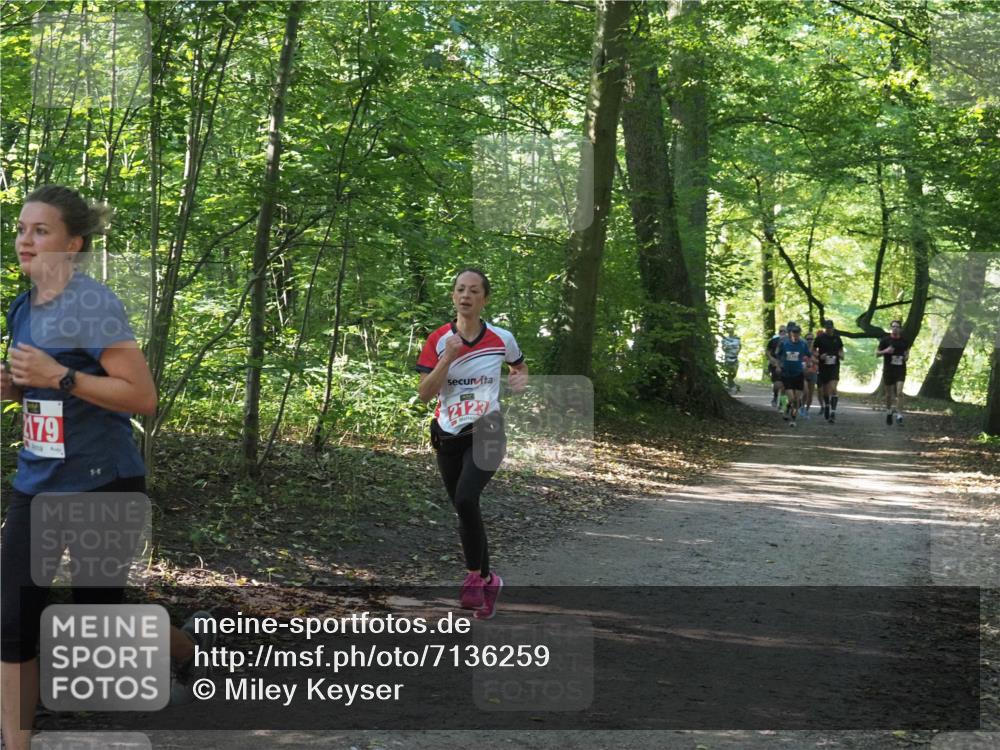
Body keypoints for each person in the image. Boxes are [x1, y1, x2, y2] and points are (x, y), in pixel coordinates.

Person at [1, 186, 212, 749]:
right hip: (37, 481)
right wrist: (16, 387)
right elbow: (40, 390)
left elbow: (142, 397)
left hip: (103, 481)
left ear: (72, 244)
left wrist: (59, 377)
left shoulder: (91, 305)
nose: (25, 240)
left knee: (102, 618)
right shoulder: (22, 307)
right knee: (14, 622)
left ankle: (187, 651)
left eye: (40, 231)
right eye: (21, 229)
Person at [416, 268, 527, 620]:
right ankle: (489, 580)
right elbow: (423, 394)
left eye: (474, 291)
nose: (466, 295)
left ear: (484, 299)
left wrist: (519, 380)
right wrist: (448, 356)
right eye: (460, 290)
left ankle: (472, 578)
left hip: (488, 429)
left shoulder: (501, 338)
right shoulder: (437, 339)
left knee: (466, 497)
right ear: (453, 297)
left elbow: (519, 366)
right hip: (447, 432)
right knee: (466, 508)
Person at [773, 323, 811, 427]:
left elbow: (809, 356)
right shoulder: (784, 344)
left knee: (796, 399)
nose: (795, 337)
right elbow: (778, 356)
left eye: (797, 335)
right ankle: (787, 409)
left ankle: (793, 419)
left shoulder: (803, 345)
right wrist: (778, 366)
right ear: (790, 334)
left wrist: (808, 364)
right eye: (793, 335)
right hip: (787, 374)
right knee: (791, 398)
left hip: (798, 374)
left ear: (799, 334)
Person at [876, 319, 910, 425]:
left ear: (900, 329)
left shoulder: (904, 341)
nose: (895, 328)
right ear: (891, 328)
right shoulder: (885, 340)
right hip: (888, 369)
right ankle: (889, 412)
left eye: (897, 327)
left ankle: (899, 415)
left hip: (900, 369)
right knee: (889, 395)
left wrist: (906, 356)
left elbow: (907, 353)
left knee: (899, 393)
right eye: (893, 326)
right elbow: (877, 353)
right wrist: (885, 351)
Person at [813, 319, 845, 423]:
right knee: (825, 391)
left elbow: (841, 349)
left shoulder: (837, 338)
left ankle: (833, 412)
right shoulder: (820, 338)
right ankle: (827, 405)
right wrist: (819, 356)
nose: (828, 330)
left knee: (833, 388)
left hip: (834, 366)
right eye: (827, 328)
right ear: (825, 328)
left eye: (830, 328)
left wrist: (841, 355)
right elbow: (813, 350)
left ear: (833, 328)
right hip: (823, 367)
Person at [767, 325, 787, 408]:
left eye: (784, 331)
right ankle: (775, 397)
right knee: (777, 384)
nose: (782, 333)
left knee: (785, 386)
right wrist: (771, 358)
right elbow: (768, 351)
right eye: (780, 331)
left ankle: (782, 404)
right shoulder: (774, 340)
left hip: (786, 366)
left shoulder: (789, 342)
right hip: (775, 365)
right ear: (778, 332)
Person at [801, 331, 818, 419]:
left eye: (811, 339)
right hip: (803, 373)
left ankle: (806, 411)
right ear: (805, 340)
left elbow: (820, 362)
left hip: (813, 373)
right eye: (808, 339)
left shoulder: (816, 351)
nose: (810, 341)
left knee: (810, 394)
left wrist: (815, 361)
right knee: (805, 391)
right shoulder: (802, 349)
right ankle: (802, 407)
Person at [720, 326, 741, 393]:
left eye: (732, 330)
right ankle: (731, 386)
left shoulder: (737, 339)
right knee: (728, 372)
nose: (731, 331)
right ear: (728, 331)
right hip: (727, 357)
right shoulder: (724, 339)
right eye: (729, 330)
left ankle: (732, 385)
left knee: (734, 373)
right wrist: (725, 350)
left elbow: (740, 346)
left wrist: (737, 352)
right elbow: (722, 347)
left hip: (735, 357)